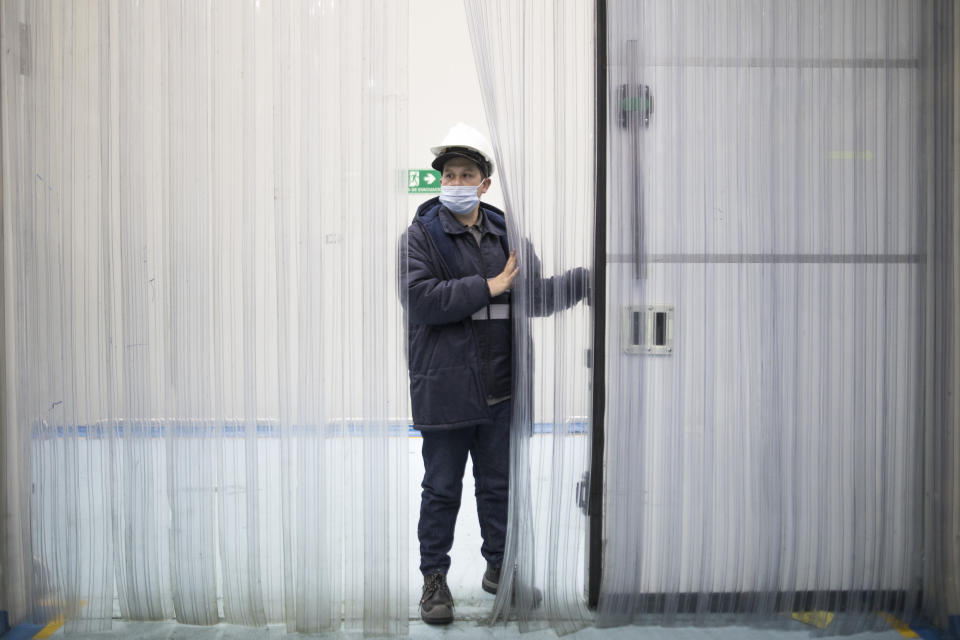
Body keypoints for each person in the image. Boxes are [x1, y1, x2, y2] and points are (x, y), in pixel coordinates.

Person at [400, 123, 588, 625]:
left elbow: (533, 299)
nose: (456, 181)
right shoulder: (421, 236)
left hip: (500, 390)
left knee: (498, 484)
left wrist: (582, 282)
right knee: (441, 487)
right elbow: (421, 300)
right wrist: (491, 284)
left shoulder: (508, 236)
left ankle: (499, 568)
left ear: (485, 184)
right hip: (445, 387)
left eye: (467, 174)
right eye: (450, 174)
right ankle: (434, 580)